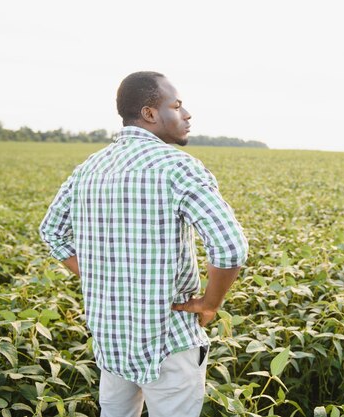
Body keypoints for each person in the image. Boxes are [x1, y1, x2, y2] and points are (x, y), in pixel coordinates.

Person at [39, 71, 249, 417]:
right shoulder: (177, 167)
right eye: (177, 105)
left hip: (111, 339)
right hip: (167, 340)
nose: (187, 114)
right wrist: (210, 304)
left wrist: (98, 277)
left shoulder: (89, 168)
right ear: (150, 113)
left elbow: (52, 232)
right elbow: (230, 248)